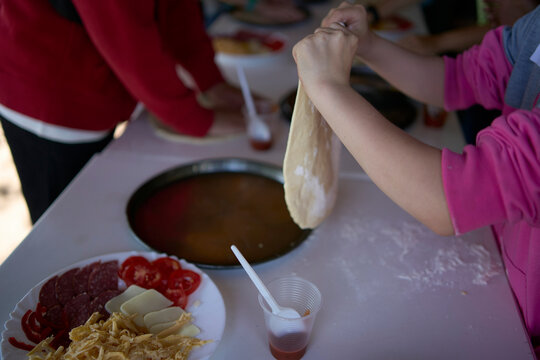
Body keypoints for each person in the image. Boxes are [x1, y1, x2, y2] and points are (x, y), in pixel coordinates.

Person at [292, 2, 540, 353]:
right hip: (502, 261)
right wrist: (371, 45)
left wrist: (328, 87)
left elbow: (451, 197)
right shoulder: (537, 28)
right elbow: (461, 78)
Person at [0, 0, 253, 224]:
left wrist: (209, 79)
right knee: (63, 229)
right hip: (47, 93)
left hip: (90, 80)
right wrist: (195, 117)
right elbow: (125, 36)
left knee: (95, 218)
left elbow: (175, 7)